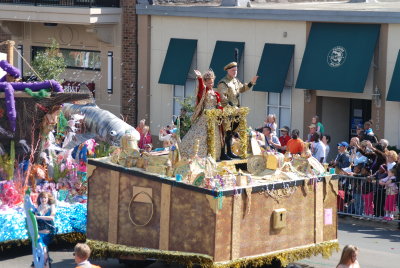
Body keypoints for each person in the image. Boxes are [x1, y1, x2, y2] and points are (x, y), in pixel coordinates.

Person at [217, 61, 258, 159]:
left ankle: (230, 152)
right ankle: (223, 153)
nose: (235, 72)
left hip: (236, 110)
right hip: (227, 111)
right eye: (233, 70)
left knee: (231, 133)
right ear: (228, 71)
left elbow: (242, 89)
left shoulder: (235, 81)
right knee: (226, 132)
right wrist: (231, 107)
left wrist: (251, 83)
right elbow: (223, 98)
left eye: (236, 70)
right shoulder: (223, 83)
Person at [180, 69, 223, 159]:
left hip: (214, 116)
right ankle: (199, 155)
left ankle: (213, 155)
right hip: (206, 116)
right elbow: (200, 90)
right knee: (202, 135)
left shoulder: (216, 94)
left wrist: (220, 110)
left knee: (214, 136)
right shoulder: (204, 91)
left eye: (212, 83)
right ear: (205, 82)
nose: (211, 85)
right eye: (209, 83)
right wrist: (199, 78)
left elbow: (218, 105)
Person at [35, 191, 56, 268]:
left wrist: (39, 217)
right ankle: (43, 264)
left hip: (48, 232)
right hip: (39, 233)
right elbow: (34, 222)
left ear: (47, 199)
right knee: (39, 251)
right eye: (41, 197)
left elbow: (51, 217)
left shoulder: (51, 207)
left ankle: (45, 265)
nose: (43, 199)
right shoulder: (37, 209)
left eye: (45, 198)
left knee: (43, 250)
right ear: (39, 199)